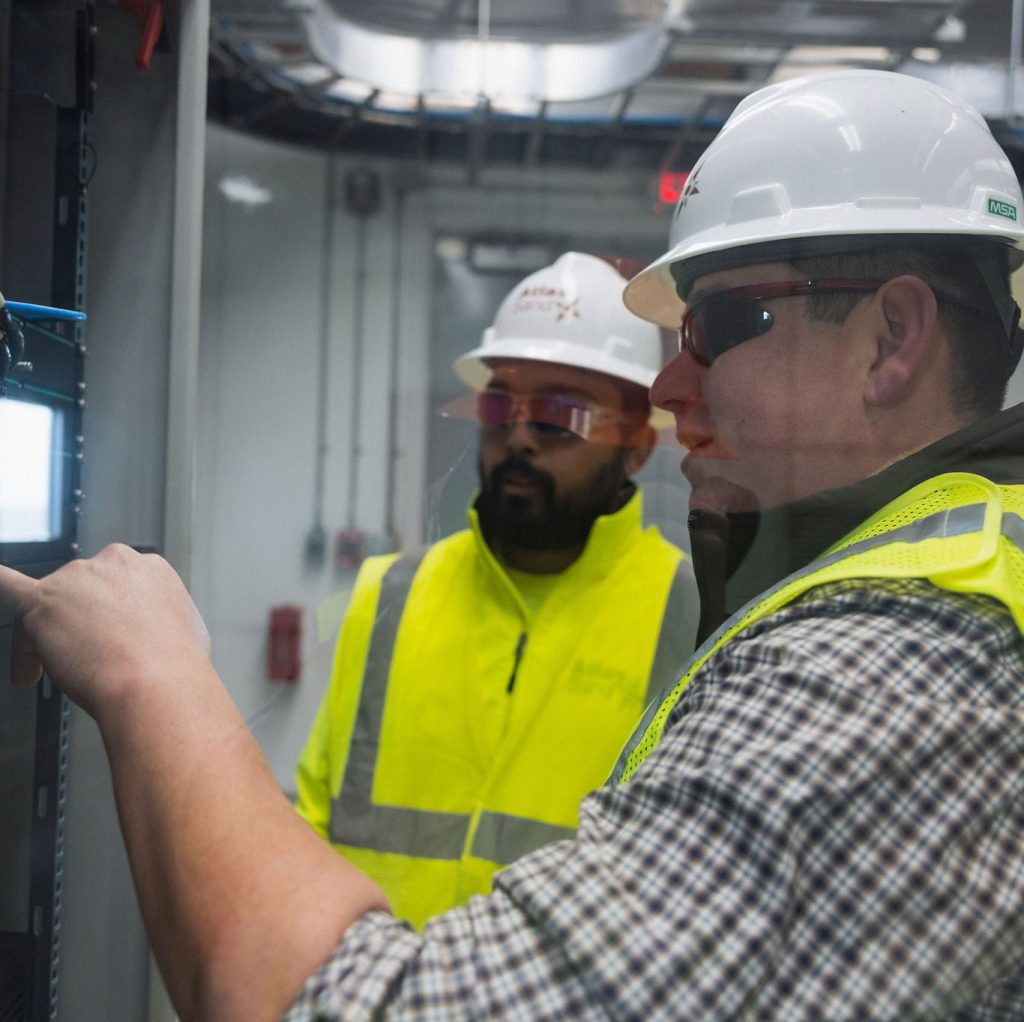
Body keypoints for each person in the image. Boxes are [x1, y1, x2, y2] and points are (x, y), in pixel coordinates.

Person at [5, 68, 1024, 1021]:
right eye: (505, 402)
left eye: (720, 320)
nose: (676, 391)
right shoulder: (411, 594)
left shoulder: (899, 668)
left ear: (892, 337)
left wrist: (151, 673)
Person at [294, 250, 697, 928]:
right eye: (499, 404)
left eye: (559, 415)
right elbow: (311, 826)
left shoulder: (691, 618)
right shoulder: (389, 593)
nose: (517, 437)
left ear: (637, 446)